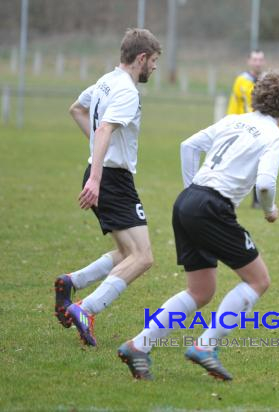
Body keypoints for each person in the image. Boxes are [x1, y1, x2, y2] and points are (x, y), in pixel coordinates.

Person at [117, 71, 279, 381]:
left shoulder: (232, 120)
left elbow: (188, 146)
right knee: (258, 280)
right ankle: (206, 345)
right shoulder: (276, 136)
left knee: (201, 290)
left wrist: (194, 191)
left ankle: (138, 345)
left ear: (254, 97)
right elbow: (265, 184)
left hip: (187, 202)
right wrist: (270, 211)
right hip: (212, 207)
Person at [54, 28, 161, 346]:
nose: (154, 67)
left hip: (106, 174)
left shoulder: (105, 81)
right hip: (112, 179)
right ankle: (85, 309)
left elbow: (77, 108)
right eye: (153, 61)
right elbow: (103, 131)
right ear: (141, 58)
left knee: (128, 252)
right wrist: (97, 178)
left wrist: (97, 159)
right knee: (143, 258)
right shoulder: (127, 91)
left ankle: (72, 282)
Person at [227, 49, 266, 208]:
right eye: (255, 59)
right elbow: (235, 102)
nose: (257, 63)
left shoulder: (267, 80)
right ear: (249, 61)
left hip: (263, 130)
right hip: (244, 129)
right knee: (240, 163)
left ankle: (257, 200)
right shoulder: (241, 80)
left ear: (263, 62)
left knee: (260, 164)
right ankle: (230, 194)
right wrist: (231, 123)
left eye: (260, 60)